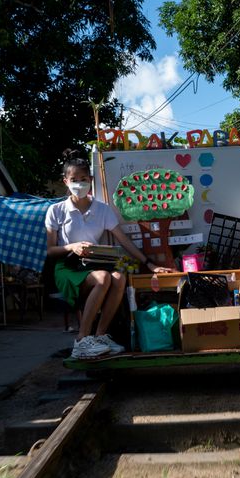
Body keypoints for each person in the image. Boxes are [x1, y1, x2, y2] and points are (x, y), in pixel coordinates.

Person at [45, 150, 170, 359]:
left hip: (93, 262)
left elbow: (124, 240)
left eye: (83, 179)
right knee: (103, 277)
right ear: (65, 181)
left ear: (91, 181)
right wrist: (72, 247)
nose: (79, 184)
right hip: (67, 266)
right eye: (74, 180)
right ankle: (81, 340)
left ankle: (100, 335)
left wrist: (149, 263)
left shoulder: (102, 210)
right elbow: (50, 251)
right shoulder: (56, 211)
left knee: (119, 278)